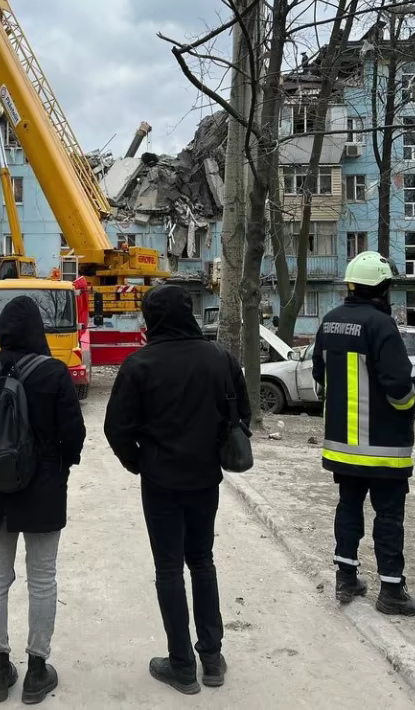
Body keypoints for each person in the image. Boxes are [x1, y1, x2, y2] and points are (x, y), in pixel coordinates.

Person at [104, 285, 250, 695]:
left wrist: (139, 462)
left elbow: (116, 429)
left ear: (151, 318)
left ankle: (182, 666)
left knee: (168, 569)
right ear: (188, 313)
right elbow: (242, 413)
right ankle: (212, 658)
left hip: (160, 482)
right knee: (202, 561)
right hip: (205, 480)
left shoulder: (139, 364)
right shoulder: (220, 358)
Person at [0, 296, 86, 704]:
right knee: (42, 579)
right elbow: (74, 434)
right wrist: (61, 466)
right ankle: (37, 671)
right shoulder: (53, 372)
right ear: (38, 330)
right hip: (44, 489)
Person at [312, 251, 415, 616]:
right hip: (383, 447)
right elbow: (399, 387)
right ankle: (391, 591)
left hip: (342, 447)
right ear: (382, 288)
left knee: (349, 508)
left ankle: (346, 579)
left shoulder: (329, 321)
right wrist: (410, 406)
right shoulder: (381, 325)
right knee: (388, 517)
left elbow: (319, 376)